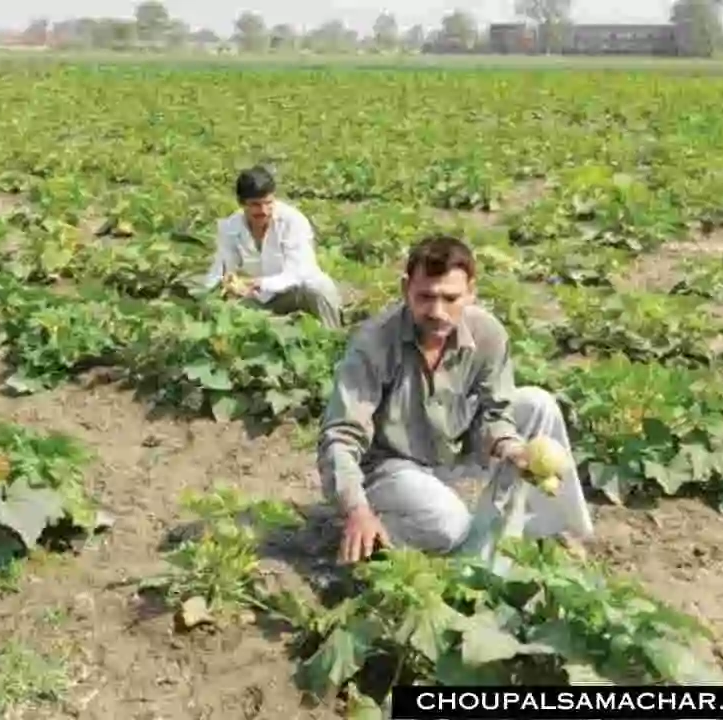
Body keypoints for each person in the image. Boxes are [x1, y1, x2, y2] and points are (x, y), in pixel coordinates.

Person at [316, 234, 593, 564]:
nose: (437, 311)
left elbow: (496, 413)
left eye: (450, 298)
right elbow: (340, 436)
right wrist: (355, 508)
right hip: (390, 469)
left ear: (471, 292)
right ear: (406, 289)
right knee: (449, 526)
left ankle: (547, 531)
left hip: (452, 456)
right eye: (425, 297)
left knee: (538, 405)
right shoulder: (374, 344)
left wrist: (510, 446)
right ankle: (369, 533)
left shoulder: (487, 334)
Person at [201, 166, 343, 329]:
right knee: (218, 307)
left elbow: (297, 273)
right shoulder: (230, 228)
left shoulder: (292, 222)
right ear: (241, 204)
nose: (263, 211)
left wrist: (256, 283)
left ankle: (333, 337)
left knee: (320, 289)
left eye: (268, 203)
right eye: (255, 205)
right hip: (257, 299)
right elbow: (221, 268)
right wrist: (223, 285)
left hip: (293, 292)